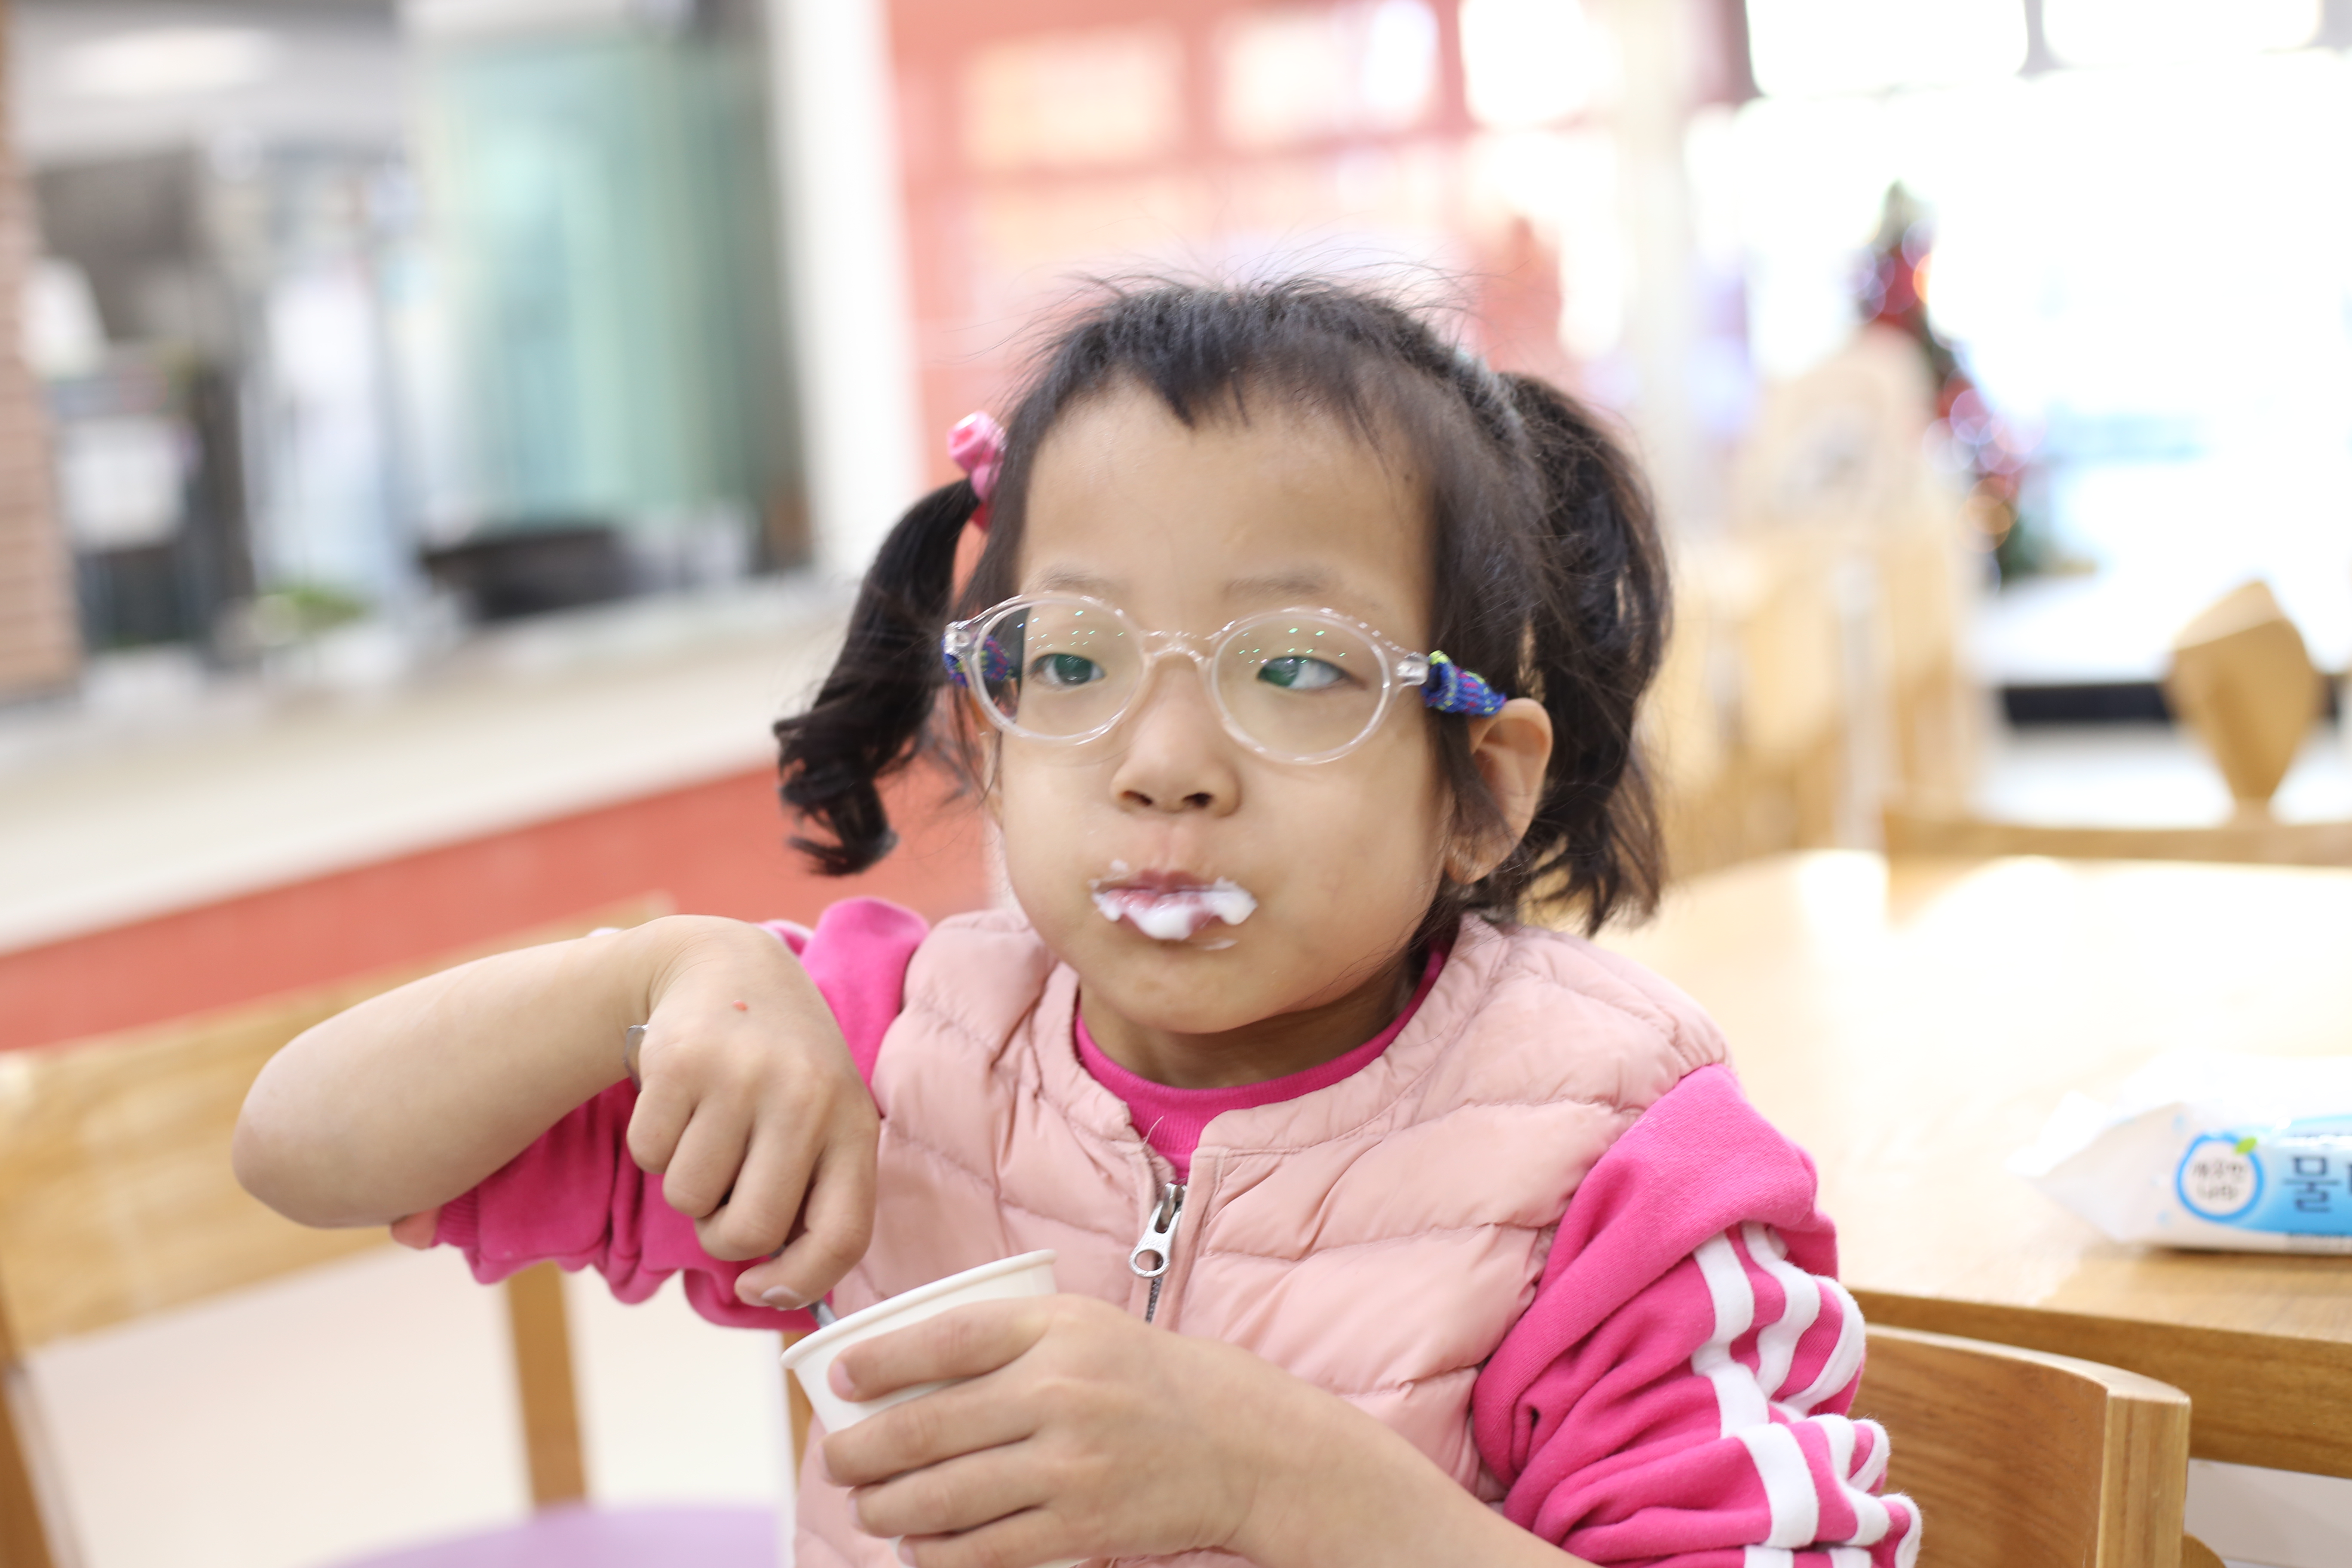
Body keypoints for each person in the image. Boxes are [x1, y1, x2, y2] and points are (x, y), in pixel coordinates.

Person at [236, 280, 1920, 1568]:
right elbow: (303, 1146)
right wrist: (658, 974)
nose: (1163, 764)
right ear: (988, 734)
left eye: (1294, 668)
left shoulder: (1615, 1172)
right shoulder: (889, 1062)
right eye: (1074, 662)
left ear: (1478, 787)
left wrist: (1271, 1478)